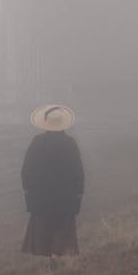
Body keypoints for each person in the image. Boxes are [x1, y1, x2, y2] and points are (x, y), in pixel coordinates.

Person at [21, 104, 84, 261]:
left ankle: (50, 257)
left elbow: (26, 169)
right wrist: (78, 194)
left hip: (41, 197)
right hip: (65, 197)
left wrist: (28, 191)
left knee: (43, 226)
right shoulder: (70, 144)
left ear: (46, 124)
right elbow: (78, 171)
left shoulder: (37, 142)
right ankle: (56, 255)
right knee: (62, 226)